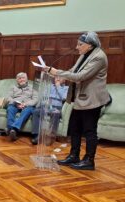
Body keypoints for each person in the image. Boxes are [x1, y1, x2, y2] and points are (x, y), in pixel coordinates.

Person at [44, 31, 111, 170]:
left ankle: (89, 161)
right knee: (74, 128)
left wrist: (57, 72)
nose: (77, 47)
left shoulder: (99, 57)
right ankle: (74, 155)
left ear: (90, 45)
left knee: (89, 130)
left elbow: (81, 76)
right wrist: (61, 76)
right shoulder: (84, 54)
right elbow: (74, 70)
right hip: (80, 100)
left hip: (92, 100)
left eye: (80, 44)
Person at [31, 76, 68, 145]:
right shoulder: (49, 86)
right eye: (56, 77)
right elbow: (44, 95)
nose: (58, 78)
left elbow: (63, 97)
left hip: (57, 107)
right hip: (46, 105)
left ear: (65, 80)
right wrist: (53, 97)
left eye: (60, 77)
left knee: (56, 114)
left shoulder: (66, 88)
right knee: (36, 111)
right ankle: (36, 135)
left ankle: (51, 137)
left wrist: (58, 87)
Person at [6, 72, 38, 141]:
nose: (21, 80)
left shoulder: (32, 87)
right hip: (15, 104)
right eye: (19, 78)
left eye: (23, 78)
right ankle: (11, 128)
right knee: (10, 108)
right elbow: (8, 98)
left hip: (27, 106)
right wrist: (15, 103)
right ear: (17, 80)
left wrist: (26, 104)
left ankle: (13, 129)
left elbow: (35, 99)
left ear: (27, 79)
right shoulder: (13, 87)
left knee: (28, 110)